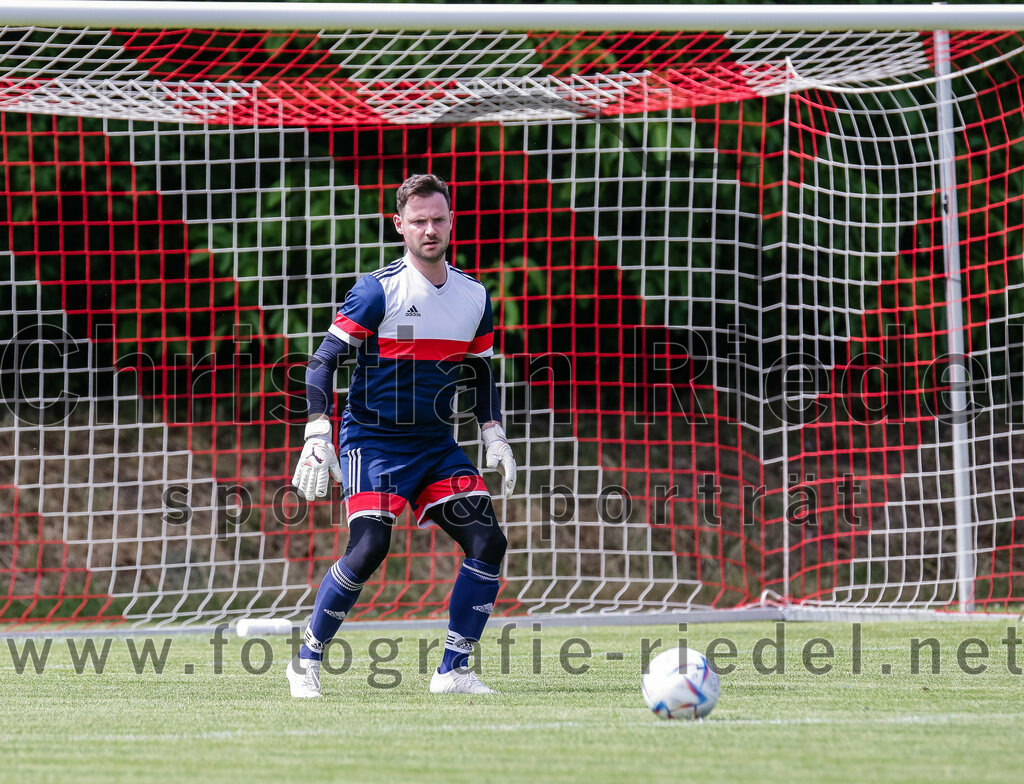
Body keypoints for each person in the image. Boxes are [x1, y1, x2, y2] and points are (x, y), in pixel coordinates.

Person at [287, 173, 516, 697]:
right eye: (418, 221)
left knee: (488, 541)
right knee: (370, 545)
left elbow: (480, 371)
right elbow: (321, 366)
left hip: (435, 445)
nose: (429, 229)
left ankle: (452, 670)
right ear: (399, 226)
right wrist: (317, 433)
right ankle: (306, 660)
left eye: (438, 219)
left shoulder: (473, 295)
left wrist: (493, 433)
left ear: (451, 221)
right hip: (374, 439)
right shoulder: (377, 291)